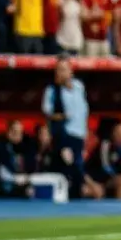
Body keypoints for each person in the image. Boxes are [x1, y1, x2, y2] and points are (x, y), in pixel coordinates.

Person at [43, 59, 90, 195]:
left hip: (79, 135)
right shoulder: (53, 90)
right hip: (64, 135)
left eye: (63, 69)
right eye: (58, 70)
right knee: (67, 167)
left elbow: (82, 111)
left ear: (71, 72)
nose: (60, 73)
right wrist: (62, 117)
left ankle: (77, 201)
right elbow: (48, 112)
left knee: (78, 168)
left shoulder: (79, 87)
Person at [0, 118, 38, 198]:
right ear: (9, 133)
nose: (19, 135)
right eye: (15, 132)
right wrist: (15, 178)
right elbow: (3, 168)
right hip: (6, 183)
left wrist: (25, 176)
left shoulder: (27, 145)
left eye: (20, 132)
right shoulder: (1, 146)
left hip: (23, 181)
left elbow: (31, 165)